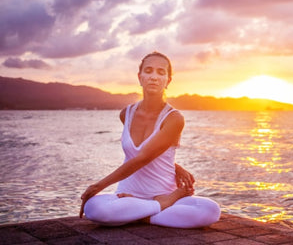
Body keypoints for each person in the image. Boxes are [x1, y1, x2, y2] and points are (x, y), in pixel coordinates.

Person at [79, 51, 221, 228]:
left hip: (163, 192)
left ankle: (140, 213)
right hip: (128, 194)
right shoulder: (126, 114)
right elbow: (139, 154)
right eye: (149, 71)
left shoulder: (174, 118)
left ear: (168, 81)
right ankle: (158, 208)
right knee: (94, 209)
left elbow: (144, 157)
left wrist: (98, 186)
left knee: (210, 210)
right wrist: (176, 167)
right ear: (140, 77)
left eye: (161, 72)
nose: (154, 77)